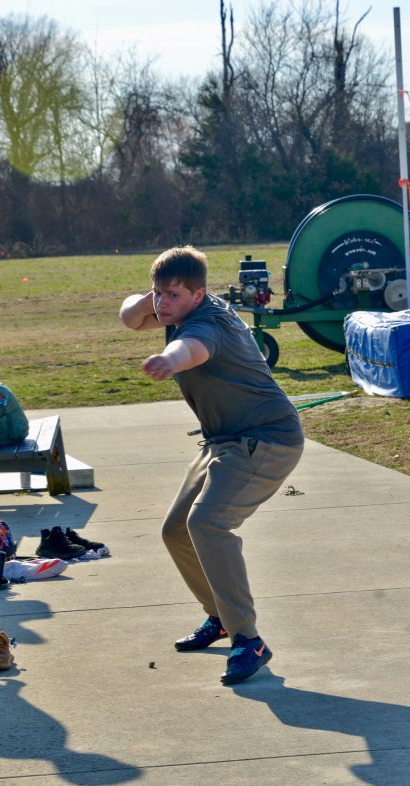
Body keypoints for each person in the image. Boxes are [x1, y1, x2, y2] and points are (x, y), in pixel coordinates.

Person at [120, 245, 304, 685]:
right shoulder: (178, 306)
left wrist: (169, 360)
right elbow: (130, 317)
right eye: (159, 294)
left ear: (199, 294)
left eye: (174, 295)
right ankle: (220, 616)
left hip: (266, 439)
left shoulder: (207, 324)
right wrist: (153, 297)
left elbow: (191, 350)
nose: (164, 304)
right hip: (224, 441)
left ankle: (248, 640)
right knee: (176, 530)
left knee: (208, 523)